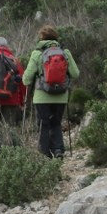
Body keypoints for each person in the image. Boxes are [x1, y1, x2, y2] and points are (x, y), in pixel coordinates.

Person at [22, 24, 80, 159]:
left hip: (41, 97)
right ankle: (59, 150)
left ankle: (45, 154)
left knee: (43, 124)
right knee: (56, 123)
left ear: (41, 38)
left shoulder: (37, 53)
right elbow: (75, 73)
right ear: (55, 37)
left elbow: (26, 79)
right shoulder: (65, 53)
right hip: (61, 96)